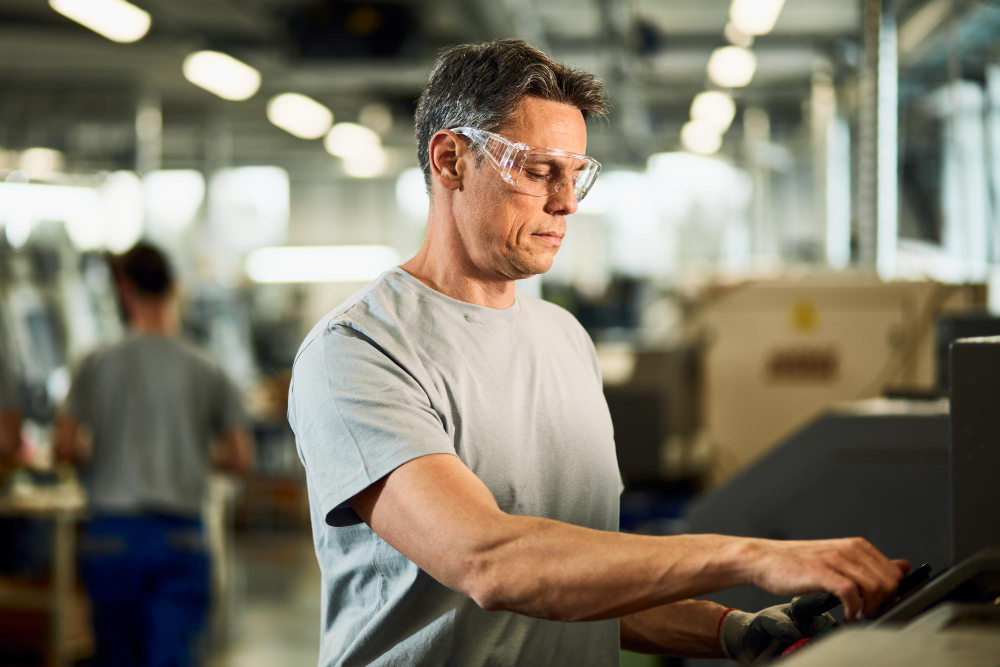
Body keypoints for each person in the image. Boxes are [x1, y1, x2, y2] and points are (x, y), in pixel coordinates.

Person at [288, 39, 908, 666]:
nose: (567, 202)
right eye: (537, 171)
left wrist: (728, 629)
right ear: (450, 160)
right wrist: (755, 555)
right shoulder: (358, 351)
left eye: (576, 173)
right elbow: (491, 561)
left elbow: (571, 576)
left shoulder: (565, 337)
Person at [56, 243, 253, 667]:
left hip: (109, 538)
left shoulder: (93, 361)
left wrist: (107, 446)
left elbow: (65, 446)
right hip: (180, 537)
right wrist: (189, 449)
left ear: (124, 289)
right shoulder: (207, 365)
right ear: (174, 289)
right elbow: (240, 457)